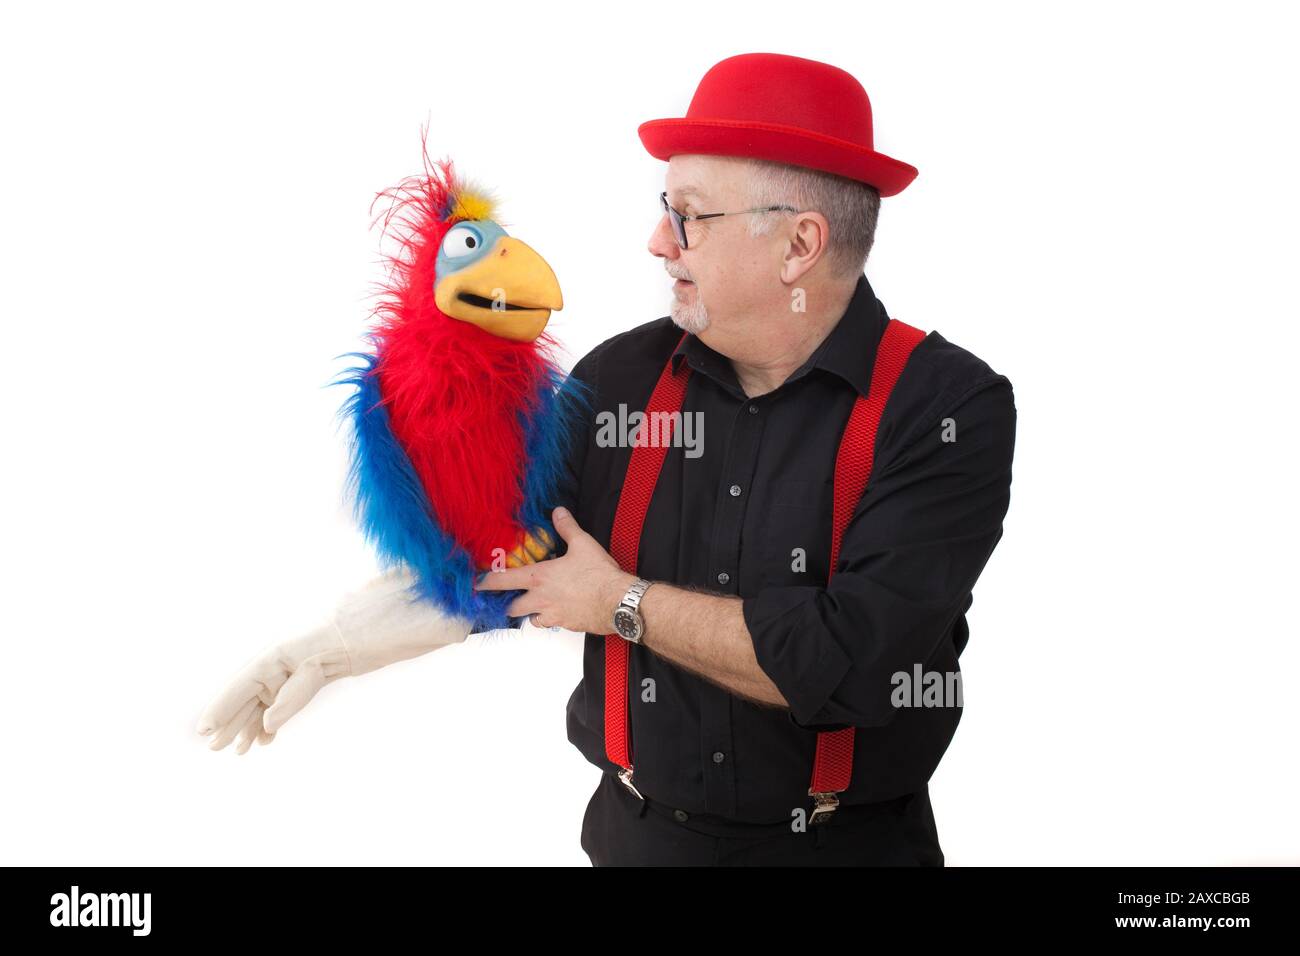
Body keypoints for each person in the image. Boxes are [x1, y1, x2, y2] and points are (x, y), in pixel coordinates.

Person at [199, 51, 1017, 867]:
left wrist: (620, 602)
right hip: (634, 844)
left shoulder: (945, 408)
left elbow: (845, 664)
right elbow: (505, 565)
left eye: (690, 215)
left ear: (799, 244)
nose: (659, 241)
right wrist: (326, 649)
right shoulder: (618, 384)